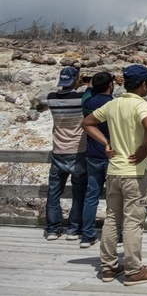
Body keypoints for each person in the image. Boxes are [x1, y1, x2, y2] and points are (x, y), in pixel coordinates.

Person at [82, 64, 147, 286]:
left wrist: (106, 143)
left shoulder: (113, 104)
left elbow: (87, 123)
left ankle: (108, 267)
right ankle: (134, 270)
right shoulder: (141, 104)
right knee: (133, 222)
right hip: (135, 174)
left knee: (111, 218)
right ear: (144, 84)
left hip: (114, 171)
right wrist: (144, 148)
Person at [45, 66, 89, 241]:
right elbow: (91, 95)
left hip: (58, 150)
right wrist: (85, 83)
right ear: (76, 79)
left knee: (54, 192)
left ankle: (53, 229)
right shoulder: (81, 98)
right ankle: (73, 229)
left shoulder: (51, 99)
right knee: (78, 193)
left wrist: (77, 82)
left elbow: (66, 93)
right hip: (78, 150)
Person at [79, 72, 120, 248]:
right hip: (113, 155)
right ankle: (116, 236)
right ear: (110, 86)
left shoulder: (87, 103)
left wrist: (89, 83)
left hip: (93, 154)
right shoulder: (114, 104)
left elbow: (88, 92)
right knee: (116, 198)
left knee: (91, 196)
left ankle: (87, 235)